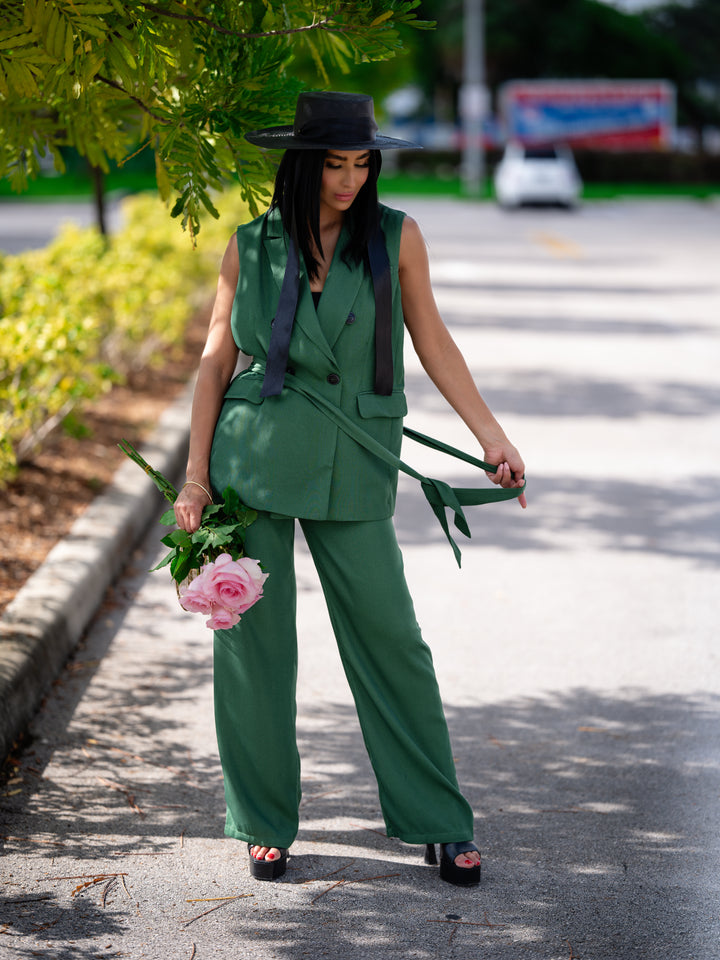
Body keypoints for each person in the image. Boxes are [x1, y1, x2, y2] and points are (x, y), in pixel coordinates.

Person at [173, 91, 526, 886]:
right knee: (254, 649)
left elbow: (431, 337)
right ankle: (264, 820)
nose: (350, 179)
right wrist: (195, 477)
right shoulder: (248, 246)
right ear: (302, 165)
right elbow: (214, 363)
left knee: (390, 641)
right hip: (253, 460)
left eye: (362, 163)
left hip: (355, 456)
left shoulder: (396, 237)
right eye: (334, 163)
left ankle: (438, 817)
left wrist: (490, 437)